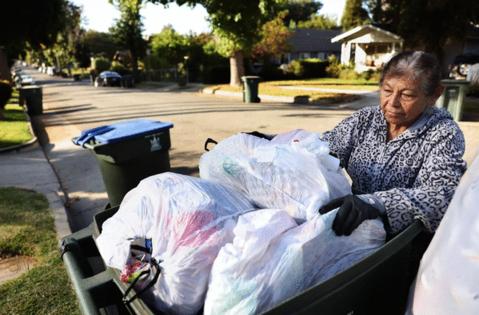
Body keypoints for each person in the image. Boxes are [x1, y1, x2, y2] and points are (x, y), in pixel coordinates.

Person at [317, 51, 466, 236]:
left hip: (402, 246)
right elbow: (324, 149)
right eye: (387, 91)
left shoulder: (443, 133)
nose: (392, 103)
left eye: (407, 95)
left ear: (434, 95)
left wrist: (377, 202)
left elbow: (444, 195)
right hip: (354, 229)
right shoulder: (366, 120)